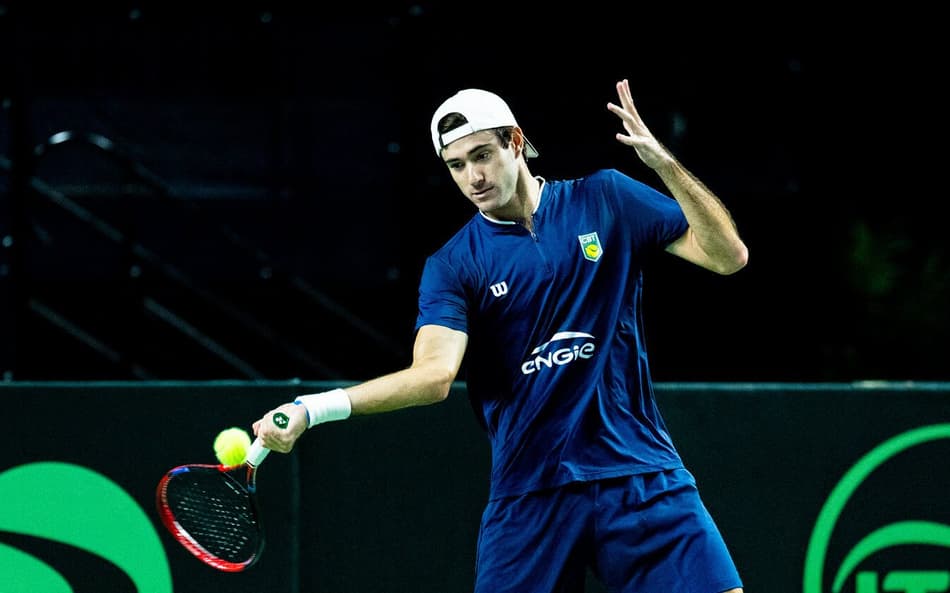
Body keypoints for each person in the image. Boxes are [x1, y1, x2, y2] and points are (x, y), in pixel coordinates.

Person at [253, 79, 749, 593]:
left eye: (482, 155)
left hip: (639, 475)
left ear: (516, 141)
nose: (473, 176)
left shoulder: (606, 197)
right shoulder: (454, 265)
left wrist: (665, 166)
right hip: (530, 496)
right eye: (456, 165)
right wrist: (316, 408)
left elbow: (728, 257)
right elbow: (434, 376)